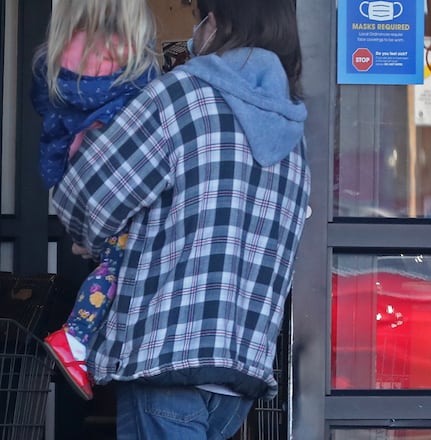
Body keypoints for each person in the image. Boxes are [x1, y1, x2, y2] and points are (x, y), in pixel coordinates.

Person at [51, 0, 310, 437]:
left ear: (214, 24)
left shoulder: (181, 97)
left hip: (167, 359)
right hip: (240, 377)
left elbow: (87, 195)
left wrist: (88, 236)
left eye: (197, 22)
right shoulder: (295, 136)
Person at [30, 0, 159, 401]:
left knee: (110, 258)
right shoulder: (134, 66)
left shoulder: (54, 61)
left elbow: (48, 121)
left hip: (76, 181)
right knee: (119, 265)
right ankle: (76, 336)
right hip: (117, 183)